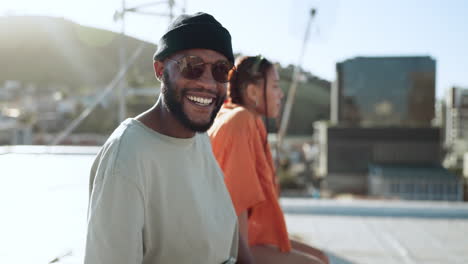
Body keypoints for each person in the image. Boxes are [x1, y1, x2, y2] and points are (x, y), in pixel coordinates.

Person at [85, 12, 253, 264]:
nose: (207, 83)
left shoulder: (197, 138)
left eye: (221, 71)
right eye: (192, 66)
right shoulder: (127, 156)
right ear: (161, 70)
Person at [209, 56, 329, 264]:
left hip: (239, 237)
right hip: (225, 243)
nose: (280, 94)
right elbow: (236, 204)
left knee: (321, 257)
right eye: (275, 86)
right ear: (253, 92)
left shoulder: (239, 116)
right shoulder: (240, 120)